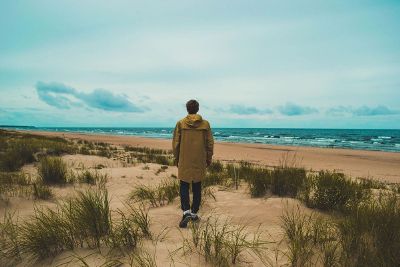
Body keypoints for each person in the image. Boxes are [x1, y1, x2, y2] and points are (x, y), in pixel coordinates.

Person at [172, 99, 214, 228]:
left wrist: (176, 158)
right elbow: (210, 143)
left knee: (184, 185)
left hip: (184, 158)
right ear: (198, 109)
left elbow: (176, 143)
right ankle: (194, 213)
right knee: (197, 186)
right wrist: (208, 158)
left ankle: (186, 212)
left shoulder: (180, 123)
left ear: (187, 109)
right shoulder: (205, 124)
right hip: (199, 159)